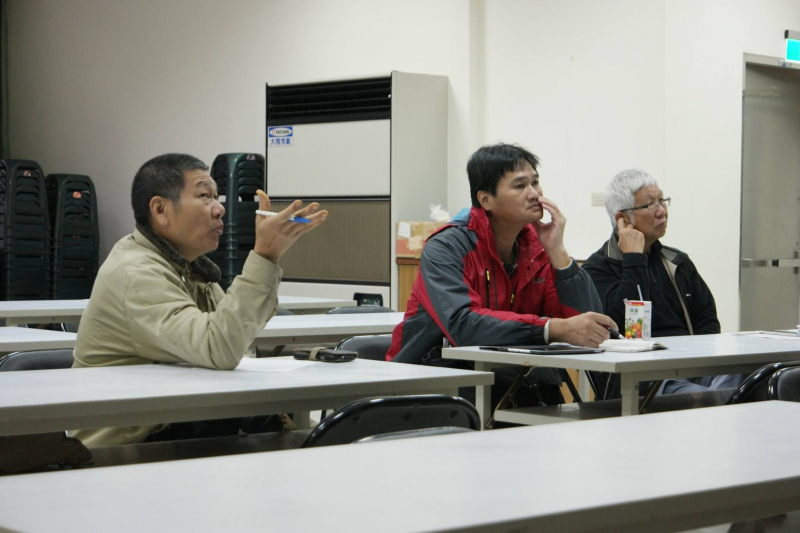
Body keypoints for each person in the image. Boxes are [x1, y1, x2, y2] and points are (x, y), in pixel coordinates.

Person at [70, 153, 327, 446]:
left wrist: (270, 257)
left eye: (216, 197)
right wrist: (265, 256)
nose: (219, 208)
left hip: (179, 417)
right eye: (204, 196)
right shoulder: (135, 272)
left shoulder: (189, 267)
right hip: (127, 443)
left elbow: (232, 335)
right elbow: (219, 347)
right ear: (160, 209)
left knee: (285, 432)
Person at [386, 143, 614, 409]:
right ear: (486, 200)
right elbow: (463, 325)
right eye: (520, 186)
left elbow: (589, 324)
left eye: (535, 182)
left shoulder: (538, 248)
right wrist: (551, 329)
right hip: (437, 379)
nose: (534, 194)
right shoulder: (446, 247)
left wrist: (558, 251)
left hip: (517, 379)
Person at [582, 168, 741, 398]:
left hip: (688, 366)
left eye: (662, 201)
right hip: (641, 376)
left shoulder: (677, 262)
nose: (662, 212)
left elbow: (707, 320)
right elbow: (625, 325)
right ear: (622, 218)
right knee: (706, 397)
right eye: (649, 204)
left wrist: (700, 362)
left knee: (750, 377)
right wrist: (634, 258)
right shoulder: (598, 269)